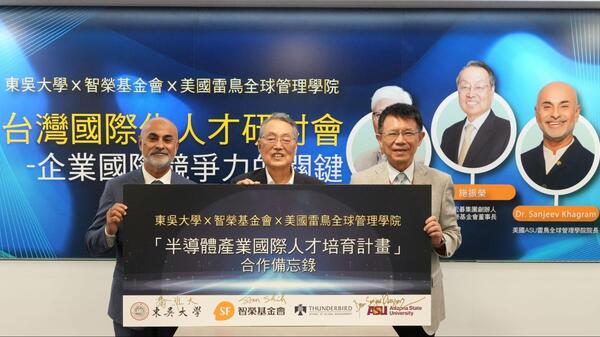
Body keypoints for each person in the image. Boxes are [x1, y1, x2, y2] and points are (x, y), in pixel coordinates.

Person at [351, 103, 462, 336]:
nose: (400, 140)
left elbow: (454, 234)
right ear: (380, 139)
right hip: (376, 295)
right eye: (392, 133)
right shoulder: (361, 181)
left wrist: (439, 239)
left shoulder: (440, 181)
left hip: (423, 297)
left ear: (420, 138)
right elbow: (353, 238)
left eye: (408, 133)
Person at [85, 117, 195, 337]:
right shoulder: (117, 186)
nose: (160, 145)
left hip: (177, 306)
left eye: (168, 139)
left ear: (176, 147)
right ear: (140, 144)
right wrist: (109, 229)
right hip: (128, 305)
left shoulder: (190, 190)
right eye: (152, 138)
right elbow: (91, 243)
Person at [521, 82, 594, 190]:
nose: (555, 114)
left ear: (577, 112)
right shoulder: (522, 160)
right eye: (547, 107)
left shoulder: (592, 162)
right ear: (537, 114)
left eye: (564, 106)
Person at [440, 60, 510, 168]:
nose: (471, 94)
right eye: (465, 87)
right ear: (458, 91)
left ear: (492, 91)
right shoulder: (449, 134)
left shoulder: (507, 131)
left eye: (479, 87)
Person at [231, 112, 322, 185]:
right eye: (271, 139)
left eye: (286, 139)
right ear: (259, 146)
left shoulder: (315, 187)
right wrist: (240, 197)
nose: (278, 146)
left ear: (295, 147)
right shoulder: (242, 185)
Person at [354, 86, 413, 172]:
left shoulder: (420, 164)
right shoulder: (361, 163)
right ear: (372, 117)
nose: (383, 122)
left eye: (392, 115)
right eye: (379, 115)